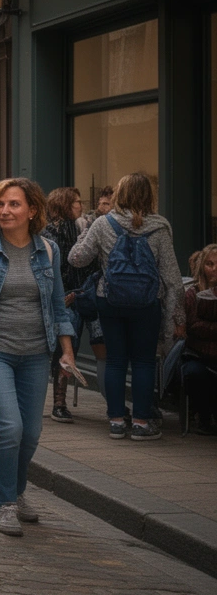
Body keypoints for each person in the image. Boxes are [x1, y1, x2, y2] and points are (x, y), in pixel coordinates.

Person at [0, 178, 77, 536]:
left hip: (38, 353)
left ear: (32, 210)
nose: (4, 211)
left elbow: (57, 304)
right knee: (10, 427)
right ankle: (5, 502)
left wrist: (67, 349)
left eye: (14, 204)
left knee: (33, 432)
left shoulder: (48, 251)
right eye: (0, 205)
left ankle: (18, 490)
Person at [68, 173, 184, 441]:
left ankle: (117, 421)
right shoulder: (160, 227)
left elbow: (77, 259)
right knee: (144, 362)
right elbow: (173, 278)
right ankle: (142, 423)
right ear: (149, 196)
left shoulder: (102, 223)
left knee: (116, 360)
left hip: (110, 300)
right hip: (147, 303)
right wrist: (178, 316)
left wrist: (85, 230)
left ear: (119, 195)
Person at [41, 187, 97, 424]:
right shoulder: (52, 233)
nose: (80, 205)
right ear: (64, 204)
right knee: (63, 348)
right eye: (75, 202)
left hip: (77, 295)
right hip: (62, 298)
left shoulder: (81, 228)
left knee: (67, 347)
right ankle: (58, 403)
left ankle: (59, 403)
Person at [182, 244, 217, 435]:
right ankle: (203, 416)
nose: (214, 269)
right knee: (196, 374)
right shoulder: (193, 294)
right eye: (210, 264)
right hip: (198, 355)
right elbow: (193, 326)